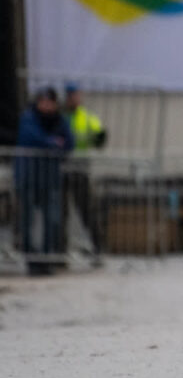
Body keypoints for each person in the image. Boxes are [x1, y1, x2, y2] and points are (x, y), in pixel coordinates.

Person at [15, 86, 75, 275]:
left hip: (50, 177)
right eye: (44, 101)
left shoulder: (60, 120)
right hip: (29, 176)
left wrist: (54, 144)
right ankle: (31, 259)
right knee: (27, 220)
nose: (47, 105)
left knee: (53, 220)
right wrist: (53, 143)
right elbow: (31, 138)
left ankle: (47, 258)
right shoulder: (28, 118)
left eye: (51, 102)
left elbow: (69, 142)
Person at [61, 82, 107, 257]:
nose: (77, 98)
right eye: (74, 95)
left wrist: (100, 137)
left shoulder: (86, 116)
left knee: (87, 211)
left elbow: (98, 135)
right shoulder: (60, 116)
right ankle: (60, 252)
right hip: (60, 168)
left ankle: (98, 248)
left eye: (78, 95)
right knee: (60, 214)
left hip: (80, 169)